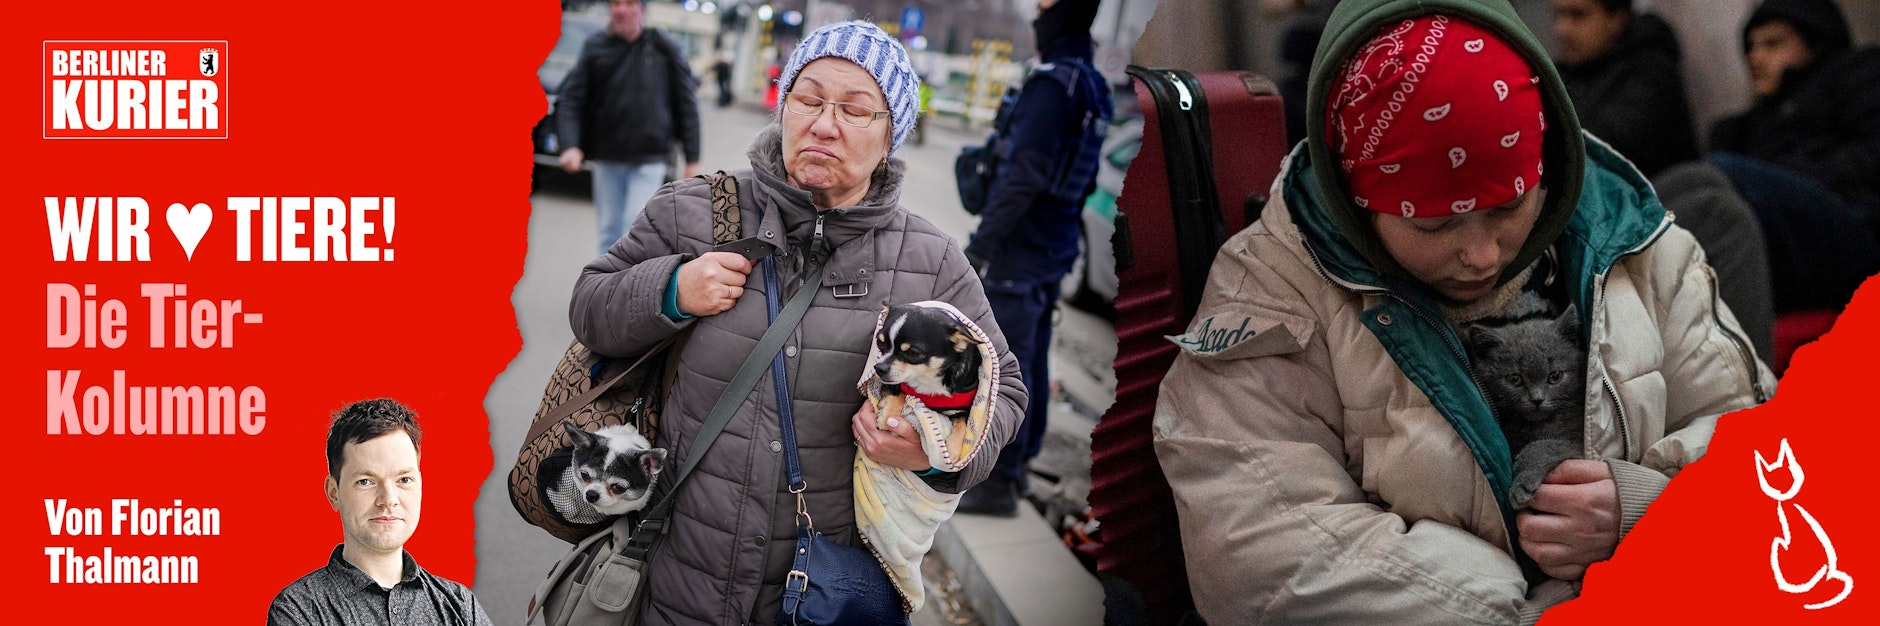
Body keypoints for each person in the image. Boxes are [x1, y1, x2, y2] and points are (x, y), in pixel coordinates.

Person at [1152, 0, 1774, 623]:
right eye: (1434, 223)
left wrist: (1648, 511)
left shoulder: (1642, 248)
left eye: (1509, 207)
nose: (1480, 255)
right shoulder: (1267, 290)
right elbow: (1259, 553)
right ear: (1356, 200)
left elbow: (1765, 468)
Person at [568, 21, 1025, 625]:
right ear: (783, 108)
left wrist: (940, 455)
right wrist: (673, 287)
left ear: (890, 138)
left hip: (821, 591)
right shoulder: (696, 211)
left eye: (856, 110)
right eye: (808, 99)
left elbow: (1006, 392)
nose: (824, 123)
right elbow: (590, 306)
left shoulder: (931, 260)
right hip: (679, 572)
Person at [958, 0, 1113, 516]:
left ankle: (997, 483)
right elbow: (1080, 177)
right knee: (1030, 361)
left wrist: (982, 244)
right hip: (1054, 246)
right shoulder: (1088, 83)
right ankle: (1018, 467)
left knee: (1004, 369)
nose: (1035, 14)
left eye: (1046, 3)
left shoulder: (1052, 86)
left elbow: (1022, 175)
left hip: (1022, 252)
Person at [1708, 0, 1880, 314]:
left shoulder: (1858, 75)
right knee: (1693, 185)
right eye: (1750, 47)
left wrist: (1786, 176)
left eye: (1773, 44)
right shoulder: (1752, 122)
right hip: (1792, 250)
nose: (1755, 57)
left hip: (1856, 231)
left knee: (1723, 174)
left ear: (1815, 44)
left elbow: (1871, 159)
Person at [268, 399, 489, 626]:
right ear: (334, 493)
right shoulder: (299, 610)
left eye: (404, 479)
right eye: (366, 481)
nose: (388, 500)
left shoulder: (460, 605)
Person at [556, 0, 703, 253]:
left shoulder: (662, 48)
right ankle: (606, 290)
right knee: (609, 233)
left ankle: (631, 290)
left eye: (629, 3)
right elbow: (571, 99)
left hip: (649, 160)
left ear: (641, 10)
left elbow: (685, 104)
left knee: (633, 230)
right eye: (615, 3)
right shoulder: (596, 48)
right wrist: (570, 145)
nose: (621, 9)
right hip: (608, 159)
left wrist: (692, 158)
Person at [1551, 0, 1698, 178]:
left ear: (1616, 19)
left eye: (1578, 15)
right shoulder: (1563, 74)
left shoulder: (1651, 69)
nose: (1562, 30)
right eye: (1558, 15)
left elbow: (1605, 145)